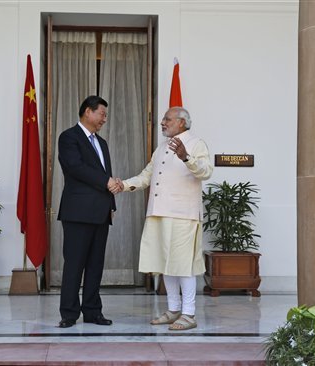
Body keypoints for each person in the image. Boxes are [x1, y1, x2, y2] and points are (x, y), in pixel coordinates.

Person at [116, 106, 213, 330]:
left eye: (167, 119)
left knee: (183, 265)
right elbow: (146, 176)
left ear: (182, 122)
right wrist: (124, 185)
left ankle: (189, 314)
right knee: (165, 264)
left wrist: (186, 157)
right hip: (158, 213)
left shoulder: (196, 143)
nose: (162, 122)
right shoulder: (160, 148)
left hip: (183, 215)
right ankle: (173, 309)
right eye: (163, 119)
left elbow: (206, 172)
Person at [57, 95, 120, 328]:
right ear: (87, 112)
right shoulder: (69, 137)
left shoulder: (101, 143)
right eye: (102, 113)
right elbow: (76, 168)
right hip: (77, 212)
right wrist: (107, 182)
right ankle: (69, 313)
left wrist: (111, 204)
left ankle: (93, 312)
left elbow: (106, 173)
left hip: (101, 212)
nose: (104, 119)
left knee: (95, 265)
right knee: (74, 264)